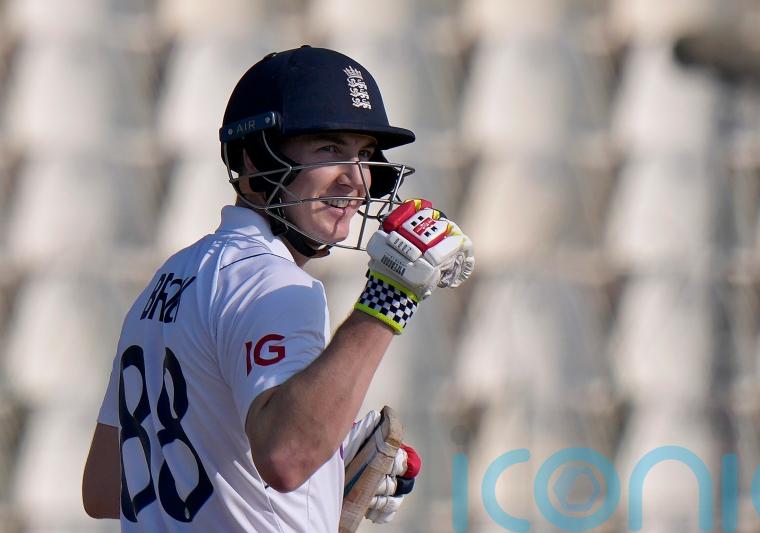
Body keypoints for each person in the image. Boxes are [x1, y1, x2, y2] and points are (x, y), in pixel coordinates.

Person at [82, 45, 474, 532]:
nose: (356, 178)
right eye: (329, 148)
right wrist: (388, 299)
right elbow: (287, 457)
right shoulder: (277, 285)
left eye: (366, 154)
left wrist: (326, 460)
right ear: (252, 158)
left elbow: (103, 488)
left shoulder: (167, 282)